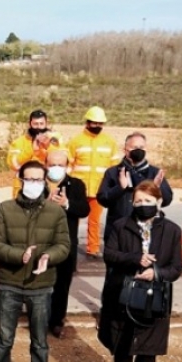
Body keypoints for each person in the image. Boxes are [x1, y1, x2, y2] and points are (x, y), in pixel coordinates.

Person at [0, 160, 70, 362]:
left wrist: (48, 256)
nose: (32, 184)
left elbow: (64, 245)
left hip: (41, 284)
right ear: (20, 179)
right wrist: (18, 256)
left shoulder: (55, 212)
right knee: (4, 337)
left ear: (44, 181)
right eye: (28, 179)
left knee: (40, 340)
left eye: (37, 179)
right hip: (9, 282)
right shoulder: (4, 209)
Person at [97, 180, 182, 362]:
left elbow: (176, 267)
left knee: (148, 350)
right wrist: (134, 259)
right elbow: (110, 255)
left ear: (159, 201)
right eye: (138, 201)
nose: (142, 204)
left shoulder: (172, 230)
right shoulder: (120, 225)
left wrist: (156, 273)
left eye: (148, 200)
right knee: (122, 347)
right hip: (123, 293)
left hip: (154, 298)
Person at [44, 150, 90, 338]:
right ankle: (38, 319)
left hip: (65, 244)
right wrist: (44, 203)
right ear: (45, 164)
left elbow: (84, 209)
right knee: (40, 284)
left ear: (67, 166)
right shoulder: (36, 182)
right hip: (42, 242)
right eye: (52, 164)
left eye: (60, 165)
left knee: (62, 285)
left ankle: (56, 321)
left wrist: (67, 203)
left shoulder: (76, 185)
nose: (56, 168)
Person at [97, 132, 172, 245]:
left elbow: (167, 200)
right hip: (118, 230)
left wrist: (156, 188)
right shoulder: (113, 172)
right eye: (135, 147)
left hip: (147, 231)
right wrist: (120, 188)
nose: (139, 150)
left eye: (141, 147)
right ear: (125, 150)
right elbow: (102, 199)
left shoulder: (154, 173)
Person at [67, 106, 120, 260]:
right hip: (78, 189)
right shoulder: (76, 141)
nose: (97, 126)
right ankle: (70, 247)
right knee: (72, 221)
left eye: (100, 123)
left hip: (98, 188)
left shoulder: (109, 142)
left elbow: (113, 166)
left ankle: (93, 249)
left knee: (94, 221)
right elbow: (68, 164)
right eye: (94, 123)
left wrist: (111, 186)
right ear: (87, 122)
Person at [7, 109, 63, 197]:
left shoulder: (54, 142)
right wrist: (31, 149)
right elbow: (13, 164)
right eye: (35, 124)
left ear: (46, 124)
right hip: (23, 188)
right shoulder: (18, 142)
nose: (38, 127)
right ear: (30, 124)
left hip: (47, 188)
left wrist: (47, 147)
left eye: (41, 124)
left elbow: (60, 163)